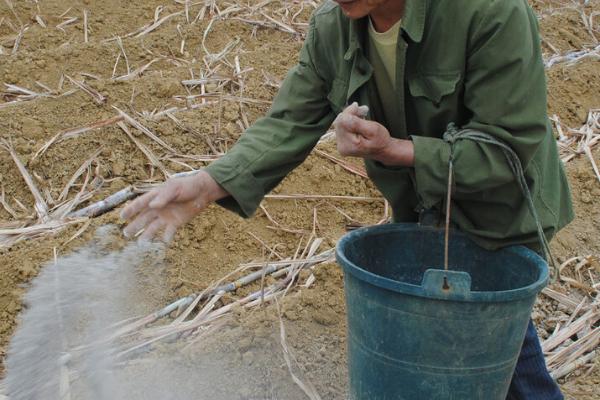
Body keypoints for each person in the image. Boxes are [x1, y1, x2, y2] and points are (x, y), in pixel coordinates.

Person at [121, 0, 574, 398]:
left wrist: (398, 150)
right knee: (467, 356)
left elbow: (508, 145)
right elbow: (289, 122)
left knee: (491, 352)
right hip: (425, 217)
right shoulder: (333, 28)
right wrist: (208, 183)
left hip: (500, 215)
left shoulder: (490, 12)